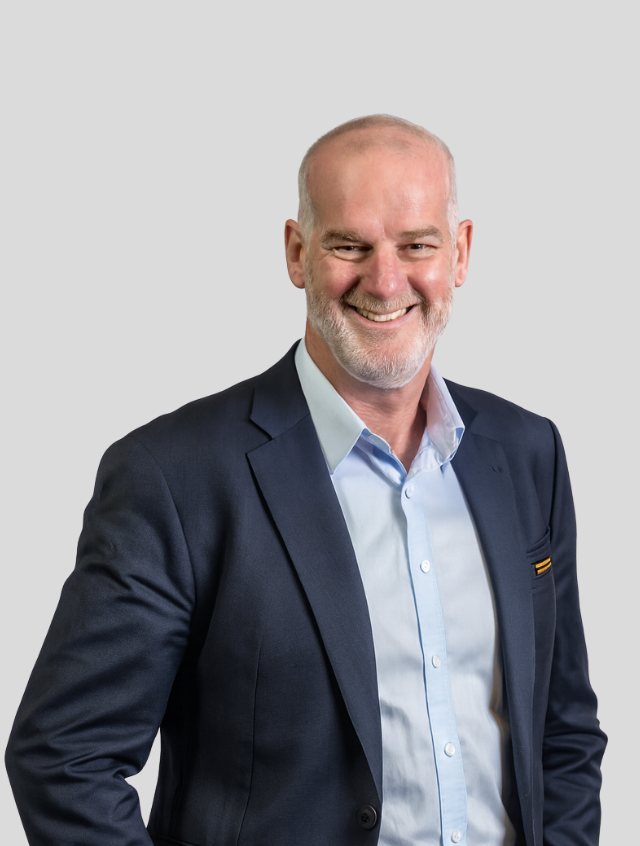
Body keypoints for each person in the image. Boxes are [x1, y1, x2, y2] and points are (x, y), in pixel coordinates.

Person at [6, 115, 606, 846]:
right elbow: (64, 757)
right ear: (297, 253)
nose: (385, 281)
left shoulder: (528, 453)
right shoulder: (174, 477)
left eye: (417, 245)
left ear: (461, 253)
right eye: (349, 246)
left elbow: (562, 730)